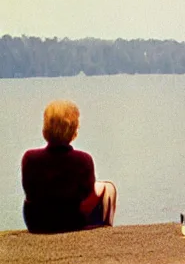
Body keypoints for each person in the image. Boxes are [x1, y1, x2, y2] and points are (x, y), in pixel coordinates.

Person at [21, 100, 117, 233]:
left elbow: (29, 192)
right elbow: (87, 194)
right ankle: (106, 229)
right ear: (73, 131)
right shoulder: (83, 159)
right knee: (108, 187)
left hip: (36, 222)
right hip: (71, 222)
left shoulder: (29, 158)